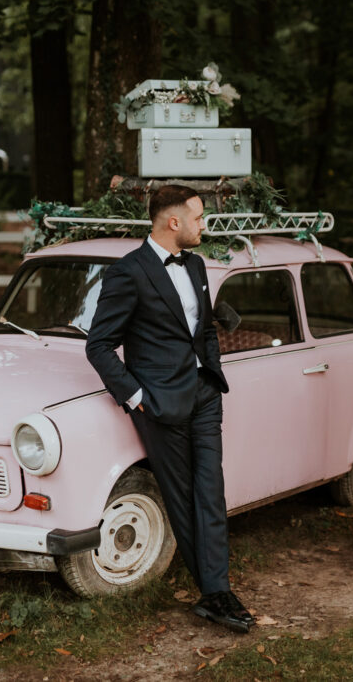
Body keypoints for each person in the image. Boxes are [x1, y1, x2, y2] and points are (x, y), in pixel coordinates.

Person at [85, 184, 254, 632]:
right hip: (160, 403)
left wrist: (212, 372)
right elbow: (99, 345)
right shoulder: (128, 272)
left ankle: (217, 590)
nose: (204, 226)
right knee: (181, 498)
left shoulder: (195, 264)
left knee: (211, 491)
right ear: (173, 221)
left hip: (204, 395)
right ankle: (213, 591)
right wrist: (137, 398)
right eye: (198, 218)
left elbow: (205, 328)